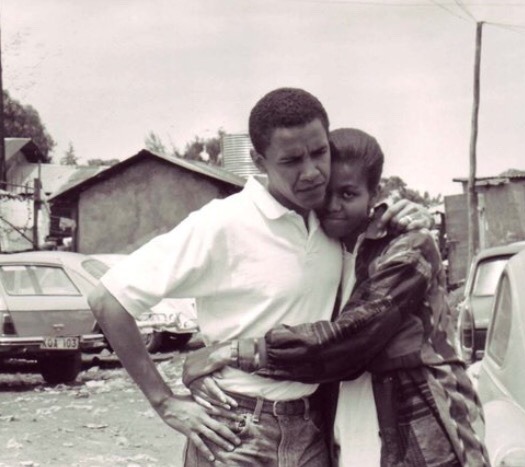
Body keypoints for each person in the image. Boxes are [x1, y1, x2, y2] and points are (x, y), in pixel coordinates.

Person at [88, 88, 427, 466]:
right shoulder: (224, 222)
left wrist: (406, 213)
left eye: (319, 152)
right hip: (236, 430)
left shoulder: (330, 221)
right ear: (258, 161)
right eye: (291, 160)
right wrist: (165, 402)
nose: (312, 172)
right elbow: (107, 299)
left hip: (314, 428)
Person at [183, 128, 490, 466]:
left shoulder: (408, 245)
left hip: (417, 418)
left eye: (348, 193)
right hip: (344, 420)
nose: (332, 205)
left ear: (374, 194)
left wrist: (231, 352)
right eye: (325, 192)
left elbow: (350, 340)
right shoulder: (320, 249)